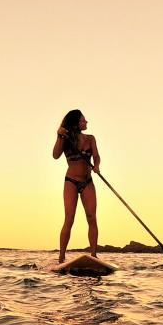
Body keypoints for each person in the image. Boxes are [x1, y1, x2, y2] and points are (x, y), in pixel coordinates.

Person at [52, 109, 100, 263]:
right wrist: (59, 136)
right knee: (69, 219)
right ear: (76, 124)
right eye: (83, 120)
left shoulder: (90, 138)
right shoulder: (66, 138)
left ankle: (93, 256)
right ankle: (61, 258)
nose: (86, 122)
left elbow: (96, 156)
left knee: (92, 218)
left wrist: (97, 165)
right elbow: (55, 155)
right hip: (71, 181)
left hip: (87, 182)